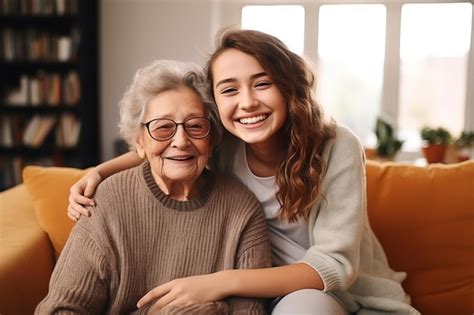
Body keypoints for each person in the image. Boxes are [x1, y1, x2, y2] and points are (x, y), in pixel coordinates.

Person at [67, 29, 419, 314]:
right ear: (215, 105)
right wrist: (98, 172)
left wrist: (221, 281)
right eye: (229, 89)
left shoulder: (336, 145)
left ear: (288, 87)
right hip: (273, 298)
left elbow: (335, 268)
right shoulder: (224, 144)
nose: (247, 102)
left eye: (262, 83)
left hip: (349, 296)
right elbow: (165, 145)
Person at [36, 59, 271, 314]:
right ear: (139, 142)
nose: (181, 141)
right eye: (163, 128)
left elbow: (249, 311)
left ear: (212, 139)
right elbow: (61, 309)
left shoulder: (242, 209)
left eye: (195, 126)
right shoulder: (106, 202)